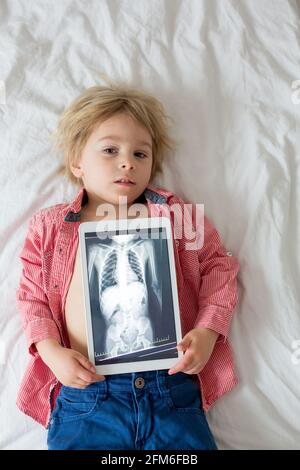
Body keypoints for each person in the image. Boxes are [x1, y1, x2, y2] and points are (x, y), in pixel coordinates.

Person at [16, 83, 240, 450]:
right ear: (77, 162)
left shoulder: (178, 216)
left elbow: (219, 269)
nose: (127, 162)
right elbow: (31, 297)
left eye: (140, 153)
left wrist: (207, 332)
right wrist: (51, 352)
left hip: (168, 388)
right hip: (88, 393)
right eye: (110, 150)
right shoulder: (49, 226)